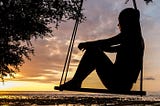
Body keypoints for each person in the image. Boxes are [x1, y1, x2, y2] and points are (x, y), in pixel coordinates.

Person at [60, 8, 145, 92]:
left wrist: (89, 45)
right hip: (123, 84)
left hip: (118, 82)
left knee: (92, 52)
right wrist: (95, 46)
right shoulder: (135, 41)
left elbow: (108, 42)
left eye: (120, 23)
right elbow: (110, 48)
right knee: (94, 50)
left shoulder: (131, 36)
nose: (119, 25)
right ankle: (76, 81)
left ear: (127, 23)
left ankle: (76, 82)